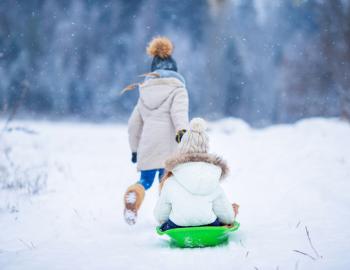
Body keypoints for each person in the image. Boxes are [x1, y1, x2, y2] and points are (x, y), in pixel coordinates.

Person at [124, 36, 189, 225]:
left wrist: (135, 150)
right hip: (169, 147)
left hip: (148, 145)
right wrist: (182, 134)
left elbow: (133, 125)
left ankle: (134, 194)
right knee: (168, 183)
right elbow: (179, 115)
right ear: (175, 71)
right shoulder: (178, 90)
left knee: (145, 182)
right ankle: (168, 218)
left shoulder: (144, 91)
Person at [154, 118, 239, 231]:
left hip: (177, 226)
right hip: (209, 226)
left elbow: (160, 216)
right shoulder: (212, 177)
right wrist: (230, 216)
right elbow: (227, 217)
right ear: (206, 147)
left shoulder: (171, 181)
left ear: (182, 147)